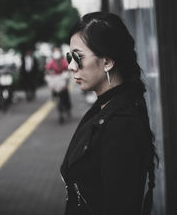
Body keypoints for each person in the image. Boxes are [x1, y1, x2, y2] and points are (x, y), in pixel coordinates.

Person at [60, 12, 157, 215]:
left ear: (107, 62)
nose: (70, 66)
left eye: (78, 57)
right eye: (69, 57)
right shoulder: (106, 108)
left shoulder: (122, 125)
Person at [45, 45, 72, 124]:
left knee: (65, 95)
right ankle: (60, 112)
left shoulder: (63, 61)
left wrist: (66, 74)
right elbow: (47, 70)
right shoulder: (51, 62)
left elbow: (68, 68)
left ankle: (67, 108)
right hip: (55, 83)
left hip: (62, 83)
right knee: (56, 96)